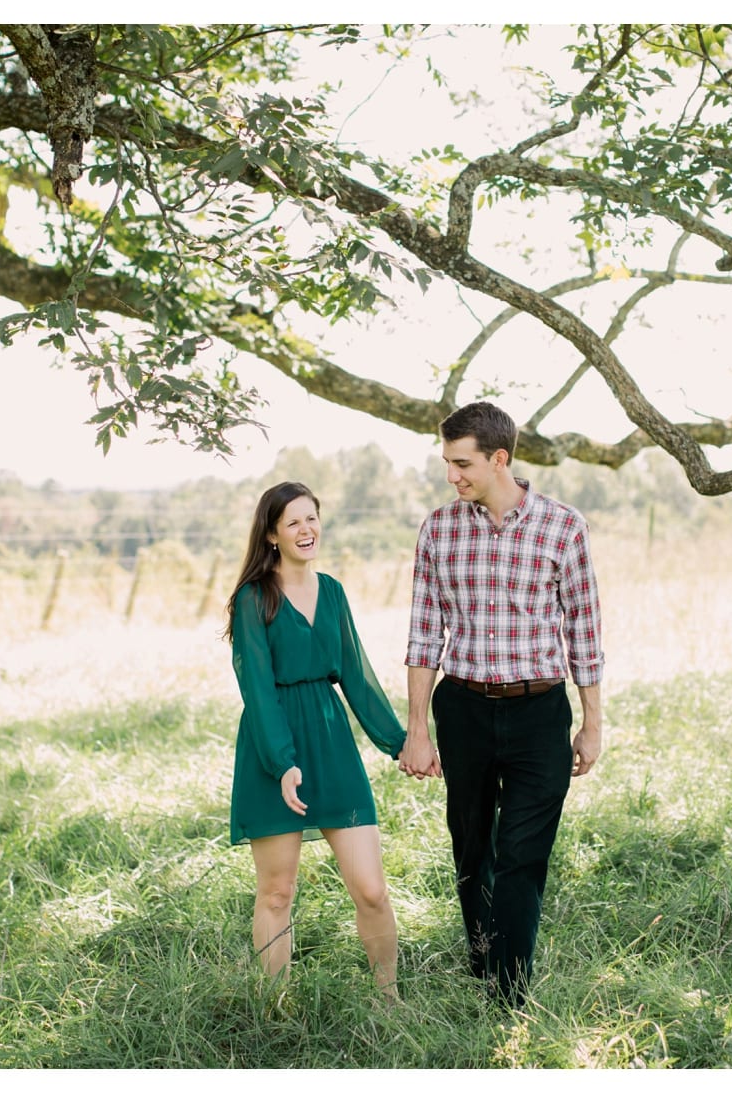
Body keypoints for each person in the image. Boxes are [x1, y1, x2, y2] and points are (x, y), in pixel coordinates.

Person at [399, 401, 604, 1006]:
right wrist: (417, 728)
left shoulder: (564, 527)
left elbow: (584, 631)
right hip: (461, 709)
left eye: (462, 464)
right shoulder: (438, 529)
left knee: (521, 853)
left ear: (500, 459)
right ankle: (482, 957)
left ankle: (507, 995)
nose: (452, 476)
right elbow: (422, 633)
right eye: (446, 463)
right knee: (471, 845)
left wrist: (593, 724)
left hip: (540, 712)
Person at [224, 481, 407, 1001]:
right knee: (277, 891)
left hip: (331, 744)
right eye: (293, 523)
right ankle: (274, 1005)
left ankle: (389, 999)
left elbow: (357, 674)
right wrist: (282, 762)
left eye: (312, 519)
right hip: (273, 749)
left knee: (371, 888)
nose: (306, 530)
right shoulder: (253, 598)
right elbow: (257, 691)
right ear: (273, 535)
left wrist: (400, 743)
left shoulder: (333, 591)